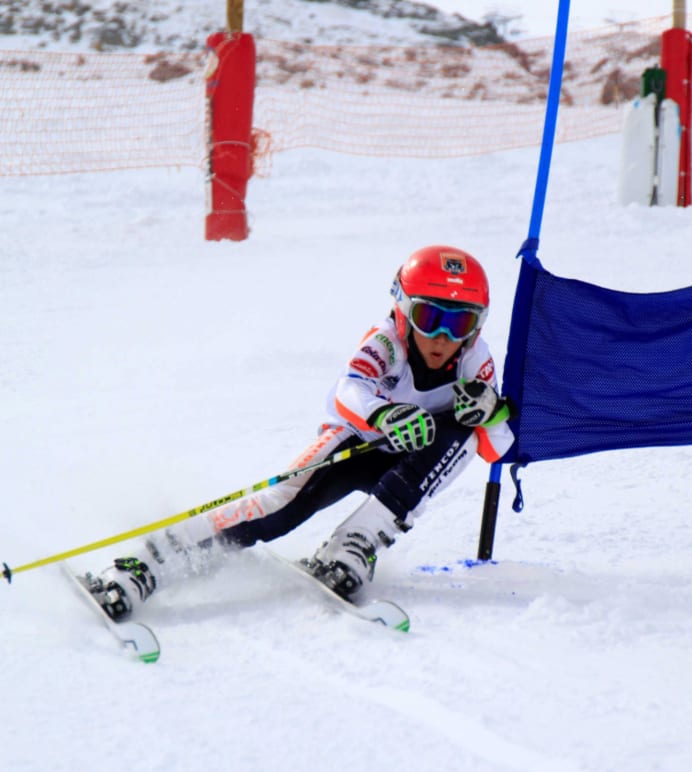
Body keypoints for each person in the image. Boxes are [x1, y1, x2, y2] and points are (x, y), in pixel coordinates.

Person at [82, 244, 515, 620]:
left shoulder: (475, 359)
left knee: (462, 430)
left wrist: (491, 412)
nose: (441, 337)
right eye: (428, 317)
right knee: (278, 511)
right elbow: (346, 391)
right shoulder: (386, 343)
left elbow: (496, 450)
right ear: (402, 311)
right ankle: (145, 564)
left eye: (458, 324)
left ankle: (356, 543)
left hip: (409, 464)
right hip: (355, 446)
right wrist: (384, 416)